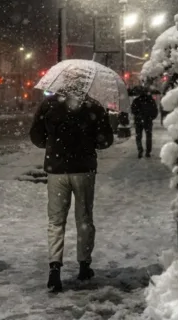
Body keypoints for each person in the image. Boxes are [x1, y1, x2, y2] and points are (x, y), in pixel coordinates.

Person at [29, 87, 114, 292]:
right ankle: (84, 265)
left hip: (57, 169)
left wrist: (53, 143)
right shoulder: (93, 106)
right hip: (83, 169)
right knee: (84, 218)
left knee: (56, 221)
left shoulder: (48, 105)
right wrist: (88, 142)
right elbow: (106, 140)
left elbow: (36, 136)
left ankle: (55, 269)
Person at [130, 89, 159, 158]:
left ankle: (140, 150)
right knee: (148, 137)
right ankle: (148, 152)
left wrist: (138, 115)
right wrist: (151, 117)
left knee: (138, 137)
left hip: (138, 121)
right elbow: (155, 111)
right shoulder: (151, 100)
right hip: (148, 121)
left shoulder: (136, 100)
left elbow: (133, 110)